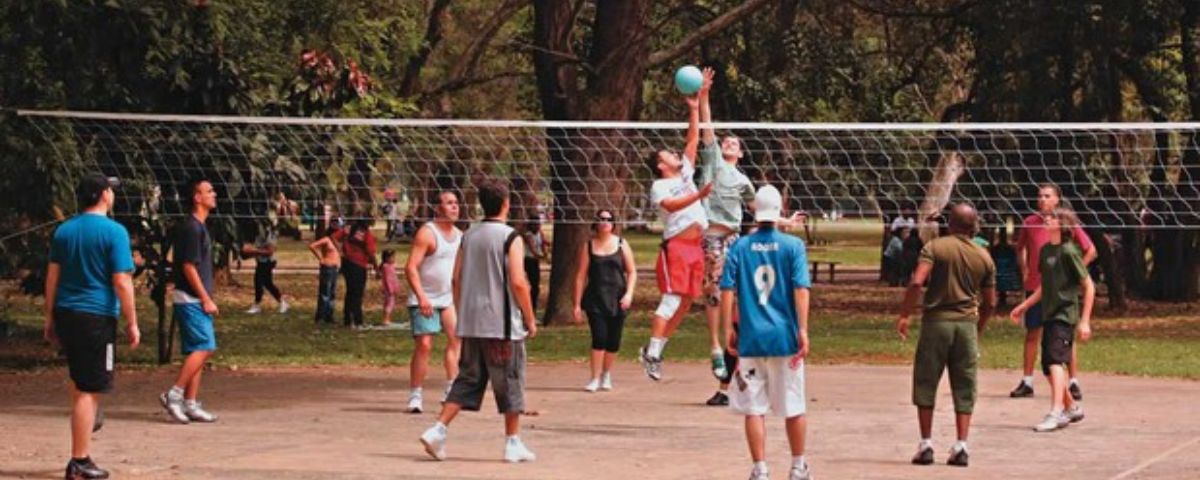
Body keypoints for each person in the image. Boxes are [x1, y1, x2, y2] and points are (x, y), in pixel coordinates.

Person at [419, 180, 539, 463]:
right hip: (502, 325)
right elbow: (519, 282)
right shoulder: (511, 237)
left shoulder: (468, 236)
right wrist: (530, 318)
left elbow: (455, 278)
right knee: (511, 380)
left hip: (471, 323)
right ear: (506, 203)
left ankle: (437, 430)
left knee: (468, 379)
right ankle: (512, 442)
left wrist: (463, 311)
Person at [44, 174, 140, 479]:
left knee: (79, 379)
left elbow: (52, 277)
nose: (113, 194)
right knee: (90, 389)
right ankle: (79, 461)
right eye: (110, 189)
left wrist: (49, 317)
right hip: (95, 317)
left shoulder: (64, 230)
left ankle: (83, 426)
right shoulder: (114, 232)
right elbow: (122, 281)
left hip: (67, 313)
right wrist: (132, 322)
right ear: (102, 194)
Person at [719, 185, 814, 480]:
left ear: (754, 211)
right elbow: (801, 289)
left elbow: (726, 290)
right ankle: (798, 466)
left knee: (754, 408)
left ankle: (760, 468)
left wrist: (727, 329)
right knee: (793, 405)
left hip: (751, 337)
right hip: (784, 336)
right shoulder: (793, 246)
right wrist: (803, 328)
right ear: (781, 209)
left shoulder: (740, 246)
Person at [896, 203, 996, 468]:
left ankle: (926, 443)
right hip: (966, 325)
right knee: (965, 384)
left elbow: (917, 281)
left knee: (926, 382)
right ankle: (962, 445)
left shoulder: (935, 248)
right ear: (974, 226)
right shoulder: (984, 256)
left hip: (936, 324)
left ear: (950, 224)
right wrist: (979, 327)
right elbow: (991, 302)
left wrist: (906, 313)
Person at [638, 83, 714, 381]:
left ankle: (655, 348)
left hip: (696, 247)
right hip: (677, 249)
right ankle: (654, 353)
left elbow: (693, 140)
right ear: (660, 165)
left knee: (685, 302)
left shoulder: (684, 172)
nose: (675, 153)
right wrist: (699, 195)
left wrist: (694, 109)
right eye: (668, 153)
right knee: (670, 301)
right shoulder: (660, 186)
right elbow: (670, 206)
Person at [696, 67, 757, 389]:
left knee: (731, 294)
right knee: (713, 290)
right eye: (726, 141)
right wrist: (704, 94)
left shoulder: (744, 181)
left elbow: (759, 210)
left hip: (734, 238)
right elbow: (707, 126)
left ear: (741, 152)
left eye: (734, 142)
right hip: (711, 235)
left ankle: (730, 346)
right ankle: (715, 346)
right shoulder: (713, 160)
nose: (729, 143)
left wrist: (784, 222)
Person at [1010, 207, 1094, 432]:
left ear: (1063, 225)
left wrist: (1085, 321)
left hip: (1064, 315)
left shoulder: (1069, 251)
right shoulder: (1047, 250)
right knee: (1048, 366)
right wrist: (1024, 306)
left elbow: (1089, 286)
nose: (1047, 219)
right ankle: (1072, 406)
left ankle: (1056, 412)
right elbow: (1044, 286)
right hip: (1049, 312)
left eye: (1053, 218)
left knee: (1055, 362)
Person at [160, 178, 221, 425]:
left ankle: (190, 402)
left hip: (194, 298)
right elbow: (187, 266)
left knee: (197, 350)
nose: (214, 194)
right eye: (209, 191)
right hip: (191, 299)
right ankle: (173, 394)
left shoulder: (200, 227)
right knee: (205, 347)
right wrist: (205, 298)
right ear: (197, 198)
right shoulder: (191, 228)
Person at [405, 190, 464, 413]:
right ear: (438, 208)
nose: (454, 207)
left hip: (447, 298)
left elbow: (458, 273)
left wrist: (460, 298)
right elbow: (410, 267)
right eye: (449, 203)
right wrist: (421, 297)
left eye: (456, 203)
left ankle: (451, 389)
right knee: (425, 345)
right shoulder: (427, 233)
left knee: (456, 339)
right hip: (425, 298)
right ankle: (415, 394)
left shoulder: (460, 236)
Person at [572, 209, 637, 392]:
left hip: (618, 298)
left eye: (608, 219)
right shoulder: (588, 246)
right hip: (595, 298)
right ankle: (594, 377)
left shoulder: (622, 244)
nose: (605, 222)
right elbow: (580, 276)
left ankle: (606, 373)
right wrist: (576, 304)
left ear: (614, 224)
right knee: (599, 338)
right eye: (601, 219)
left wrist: (629, 294)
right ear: (596, 223)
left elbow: (632, 271)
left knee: (613, 341)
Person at [332, 220, 377, 329]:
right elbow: (371, 252)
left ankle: (347, 319)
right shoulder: (366, 234)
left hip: (347, 263)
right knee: (357, 294)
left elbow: (333, 237)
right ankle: (357, 320)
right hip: (359, 265)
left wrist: (341, 251)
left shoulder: (348, 230)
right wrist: (376, 266)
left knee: (350, 292)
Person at [243, 226, 289, 314]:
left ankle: (257, 305)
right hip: (261, 261)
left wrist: (253, 251)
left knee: (259, 282)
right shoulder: (258, 232)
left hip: (268, 262)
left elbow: (269, 251)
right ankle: (282, 302)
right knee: (267, 283)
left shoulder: (269, 233)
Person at [307, 227, 341, 325]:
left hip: (335, 268)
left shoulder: (337, 243)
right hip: (327, 268)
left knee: (332, 293)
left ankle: (329, 316)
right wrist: (321, 258)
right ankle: (320, 317)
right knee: (325, 293)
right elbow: (312, 246)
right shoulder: (326, 240)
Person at [521, 219, 550, 317]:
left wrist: (547, 247)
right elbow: (533, 249)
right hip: (528, 260)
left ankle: (533, 307)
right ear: (531, 225)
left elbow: (543, 242)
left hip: (535, 261)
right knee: (531, 285)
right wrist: (543, 257)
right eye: (536, 225)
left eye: (539, 225)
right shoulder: (528, 235)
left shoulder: (539, 232)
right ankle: (528, 309)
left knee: (535, 286)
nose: (538, 227)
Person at [379, 250, 401, 328]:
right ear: (387, 258)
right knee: (389, 304)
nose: (394, 259)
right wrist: (390, 289)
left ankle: (387, 319)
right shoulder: (386, 267)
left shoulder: (390, 266)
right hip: (389, 289)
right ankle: (386, 319)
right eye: (392, 257)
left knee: (388, 303)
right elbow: (388, 279)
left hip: (390, 288)